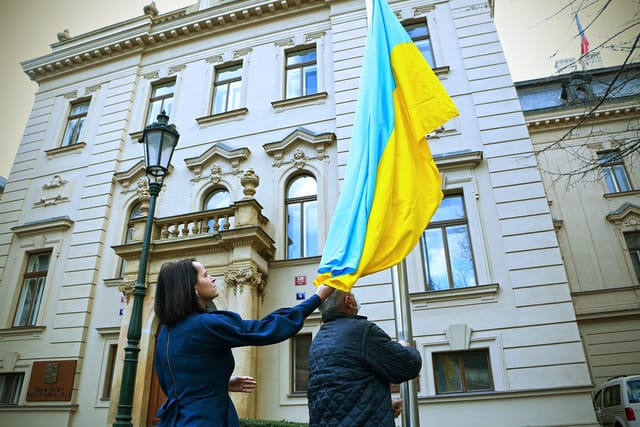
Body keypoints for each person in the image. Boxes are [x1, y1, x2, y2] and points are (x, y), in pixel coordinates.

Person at [153, 258, 334, 427]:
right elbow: (265, 329)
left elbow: (178, 382)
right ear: (193, 288)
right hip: (207, 419)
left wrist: (220, 383)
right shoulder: (205, 324)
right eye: (206, 275)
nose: (213, 278)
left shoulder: (166, 332)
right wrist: (316, 298)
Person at [307, 288, 422, 426]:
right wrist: (405, 347)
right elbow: (408, 365)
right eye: (353, 296)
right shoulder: (361, 331)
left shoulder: (318, 340)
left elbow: (339, 395)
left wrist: (383, 407)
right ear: (348, 302)